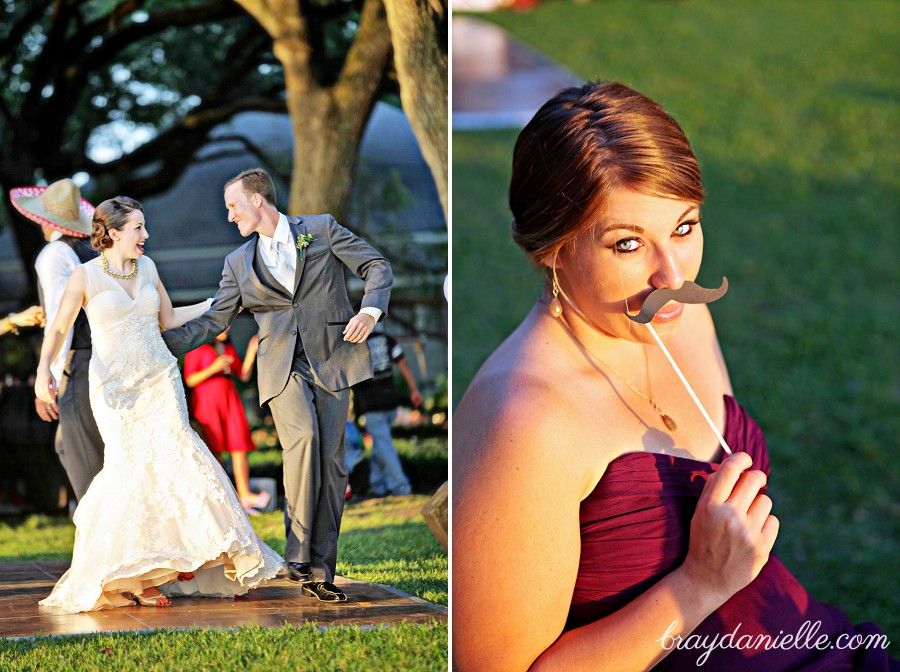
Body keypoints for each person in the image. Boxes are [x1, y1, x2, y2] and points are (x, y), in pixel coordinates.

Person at [452, 82, 896, 671]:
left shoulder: (684, 318)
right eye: (628, 243)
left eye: (684, 228)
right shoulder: (526, 421)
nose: (672, 274)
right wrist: (699, 585)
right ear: (554, 248)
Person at [34, 196, 283, 613]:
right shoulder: (84, 277)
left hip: (159, 379)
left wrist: (216, 305)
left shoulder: (147, 267)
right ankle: (138, 576)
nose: (146, 235)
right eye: (138, 228)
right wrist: (45, 372)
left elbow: (166, 318)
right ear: (112, 233)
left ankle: (203, 558)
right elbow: (58, 328)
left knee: (180, 457)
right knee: (131, 470)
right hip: (115, 389)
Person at [161, 168, 392, 603]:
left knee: (332, 463)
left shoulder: (320, 230)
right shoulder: (237, 263)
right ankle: (298, 553)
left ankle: (320, 571)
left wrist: (370, 312)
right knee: (302, 439)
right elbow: (215, 320)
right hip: (280, 368)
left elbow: (376, 266)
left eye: (233, 206)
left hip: (333, 359)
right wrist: (158, 344)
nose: (229, 216)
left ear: (257, 201)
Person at [10, 178, 105, 502]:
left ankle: (104, 540)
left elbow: (59, 321)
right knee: (67, 444)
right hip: (103, 355)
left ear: (41, 219)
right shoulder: (91, 250)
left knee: (85, 459)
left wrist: (47, 374)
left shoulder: (54, 254)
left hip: (79, 360)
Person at [184, 328, 271, 513]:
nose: (227, 328)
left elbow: (244, 374)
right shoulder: (197, 348)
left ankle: (245, 495)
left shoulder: (228, 348)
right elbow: (190, 379)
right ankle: (224, 498)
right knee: (215, 449)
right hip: (208, 401)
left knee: (238, 444)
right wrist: (213, 368)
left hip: (230, 399)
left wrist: (251, 351)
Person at [352, 330, 423, 497]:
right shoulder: (387, 339)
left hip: (371, 404)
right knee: (380, 444)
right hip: (390, 399)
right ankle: (377, 486)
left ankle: (401, 487)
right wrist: (414, 389)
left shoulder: (353, 343)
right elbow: (403, 363)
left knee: (383, 445)